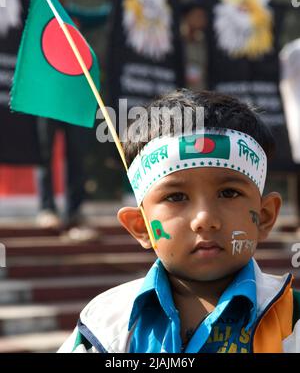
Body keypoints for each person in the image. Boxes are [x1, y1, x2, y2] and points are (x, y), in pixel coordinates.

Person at [58, 89, 300, 352]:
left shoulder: (292, 322)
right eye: (176, 197)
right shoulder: (104, 327)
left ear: (264, 216)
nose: (204, 219)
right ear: (140, 226)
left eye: (228, 193)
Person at [36, 0, 111, 234]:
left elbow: (104, 14)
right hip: (47, 98)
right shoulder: (36, 15)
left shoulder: (75, 15)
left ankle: (75, 210)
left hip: (76, 97)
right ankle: (46, 208)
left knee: (77, 155)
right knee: (44, 155)